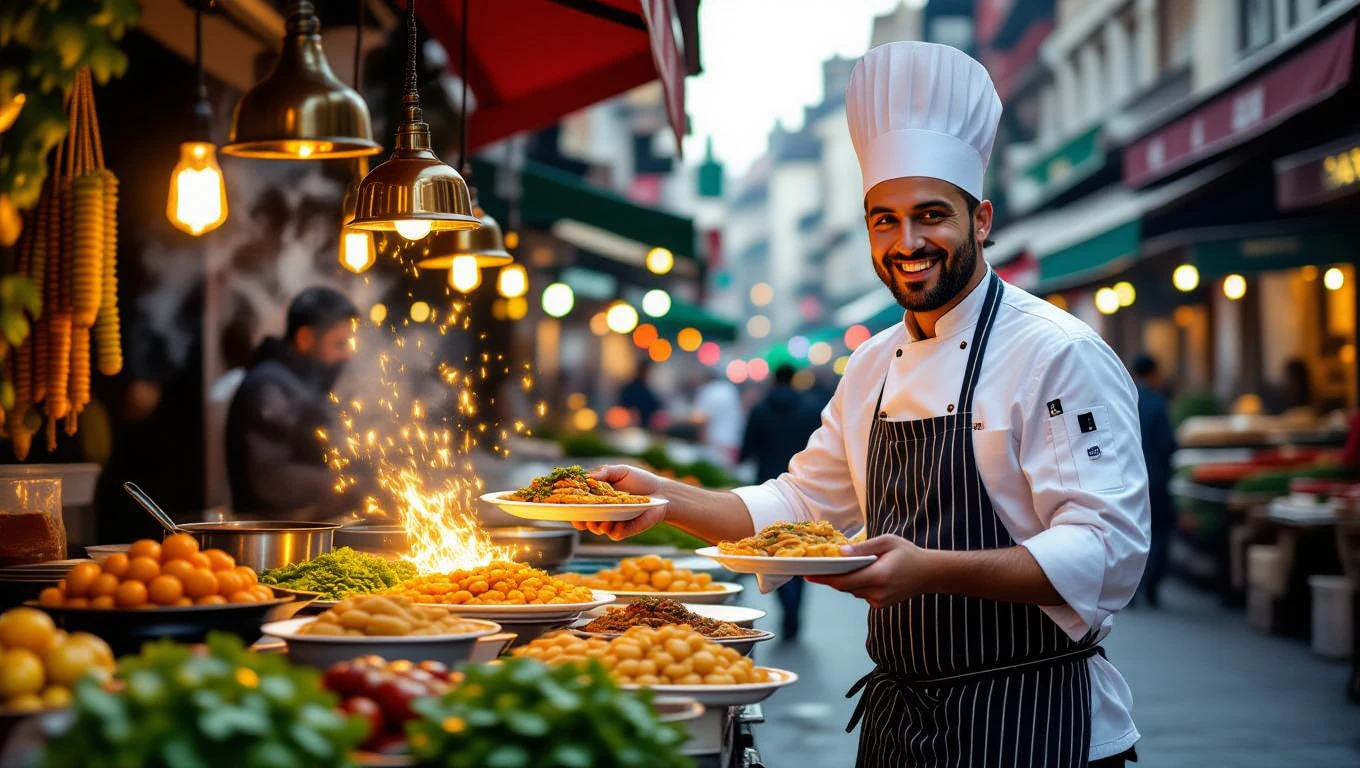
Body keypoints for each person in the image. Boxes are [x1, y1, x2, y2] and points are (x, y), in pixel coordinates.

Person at [570, 42, 1148, 767]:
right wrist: (662, 497)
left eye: (931, 215)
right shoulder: (873, 362)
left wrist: (928, 568)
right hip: (900, 726)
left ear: (982, 218)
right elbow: (799, 505)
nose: (907, 243)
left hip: (1037, 722)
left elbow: (1107, 551)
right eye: (885, 219)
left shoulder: (1057, 352)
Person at [225, 286, 358, 519]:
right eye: (339, 343)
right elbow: (270, 478)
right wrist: (351, 483)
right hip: (275, 540)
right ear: (305, 338)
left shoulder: (297, 382)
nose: (348, 355)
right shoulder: (269, 385)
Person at [739, 363, 825, 639]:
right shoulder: (811, 408)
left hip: (768, 490)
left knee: (774, 552)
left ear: (773, 380)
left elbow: (745, 450)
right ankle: (793, 614)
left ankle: (785, 607)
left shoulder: (760, 409)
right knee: (800, 550)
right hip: (804, 488)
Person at [1130, 354, 1177, 608]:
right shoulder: (1158, 403)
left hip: (1128, 479)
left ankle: (1131, 588)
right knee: (1158, 532)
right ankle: (1151, 585)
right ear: (1153, 373)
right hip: (1156, 478)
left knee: (1131, 530)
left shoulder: (1124, 398)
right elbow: (1169, 444)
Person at [692, 368, 745, 465]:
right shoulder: (729, 389)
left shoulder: (708, 391)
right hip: (732, 443)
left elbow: (700, 419)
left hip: (714, 444)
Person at [618, 359, 663, 429]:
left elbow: (655, 407)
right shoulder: (631, 389)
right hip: (631, 426)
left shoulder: (648, 389)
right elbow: (623, 407)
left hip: (647, 426)